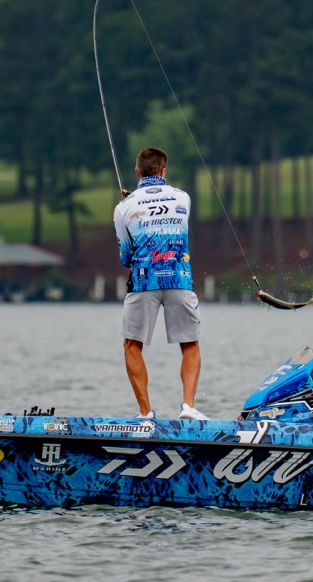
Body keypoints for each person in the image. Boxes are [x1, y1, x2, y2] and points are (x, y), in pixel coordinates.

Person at [113, 147, 207, 421]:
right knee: (189, 344)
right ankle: (188, 406)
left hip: (144, 281)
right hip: (180, 279)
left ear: (137, 172)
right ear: (164, 171)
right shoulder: (183, 197)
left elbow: (125, 256)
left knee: (132, 345)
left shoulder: (123, 207)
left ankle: (146, 413)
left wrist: (129, 206)